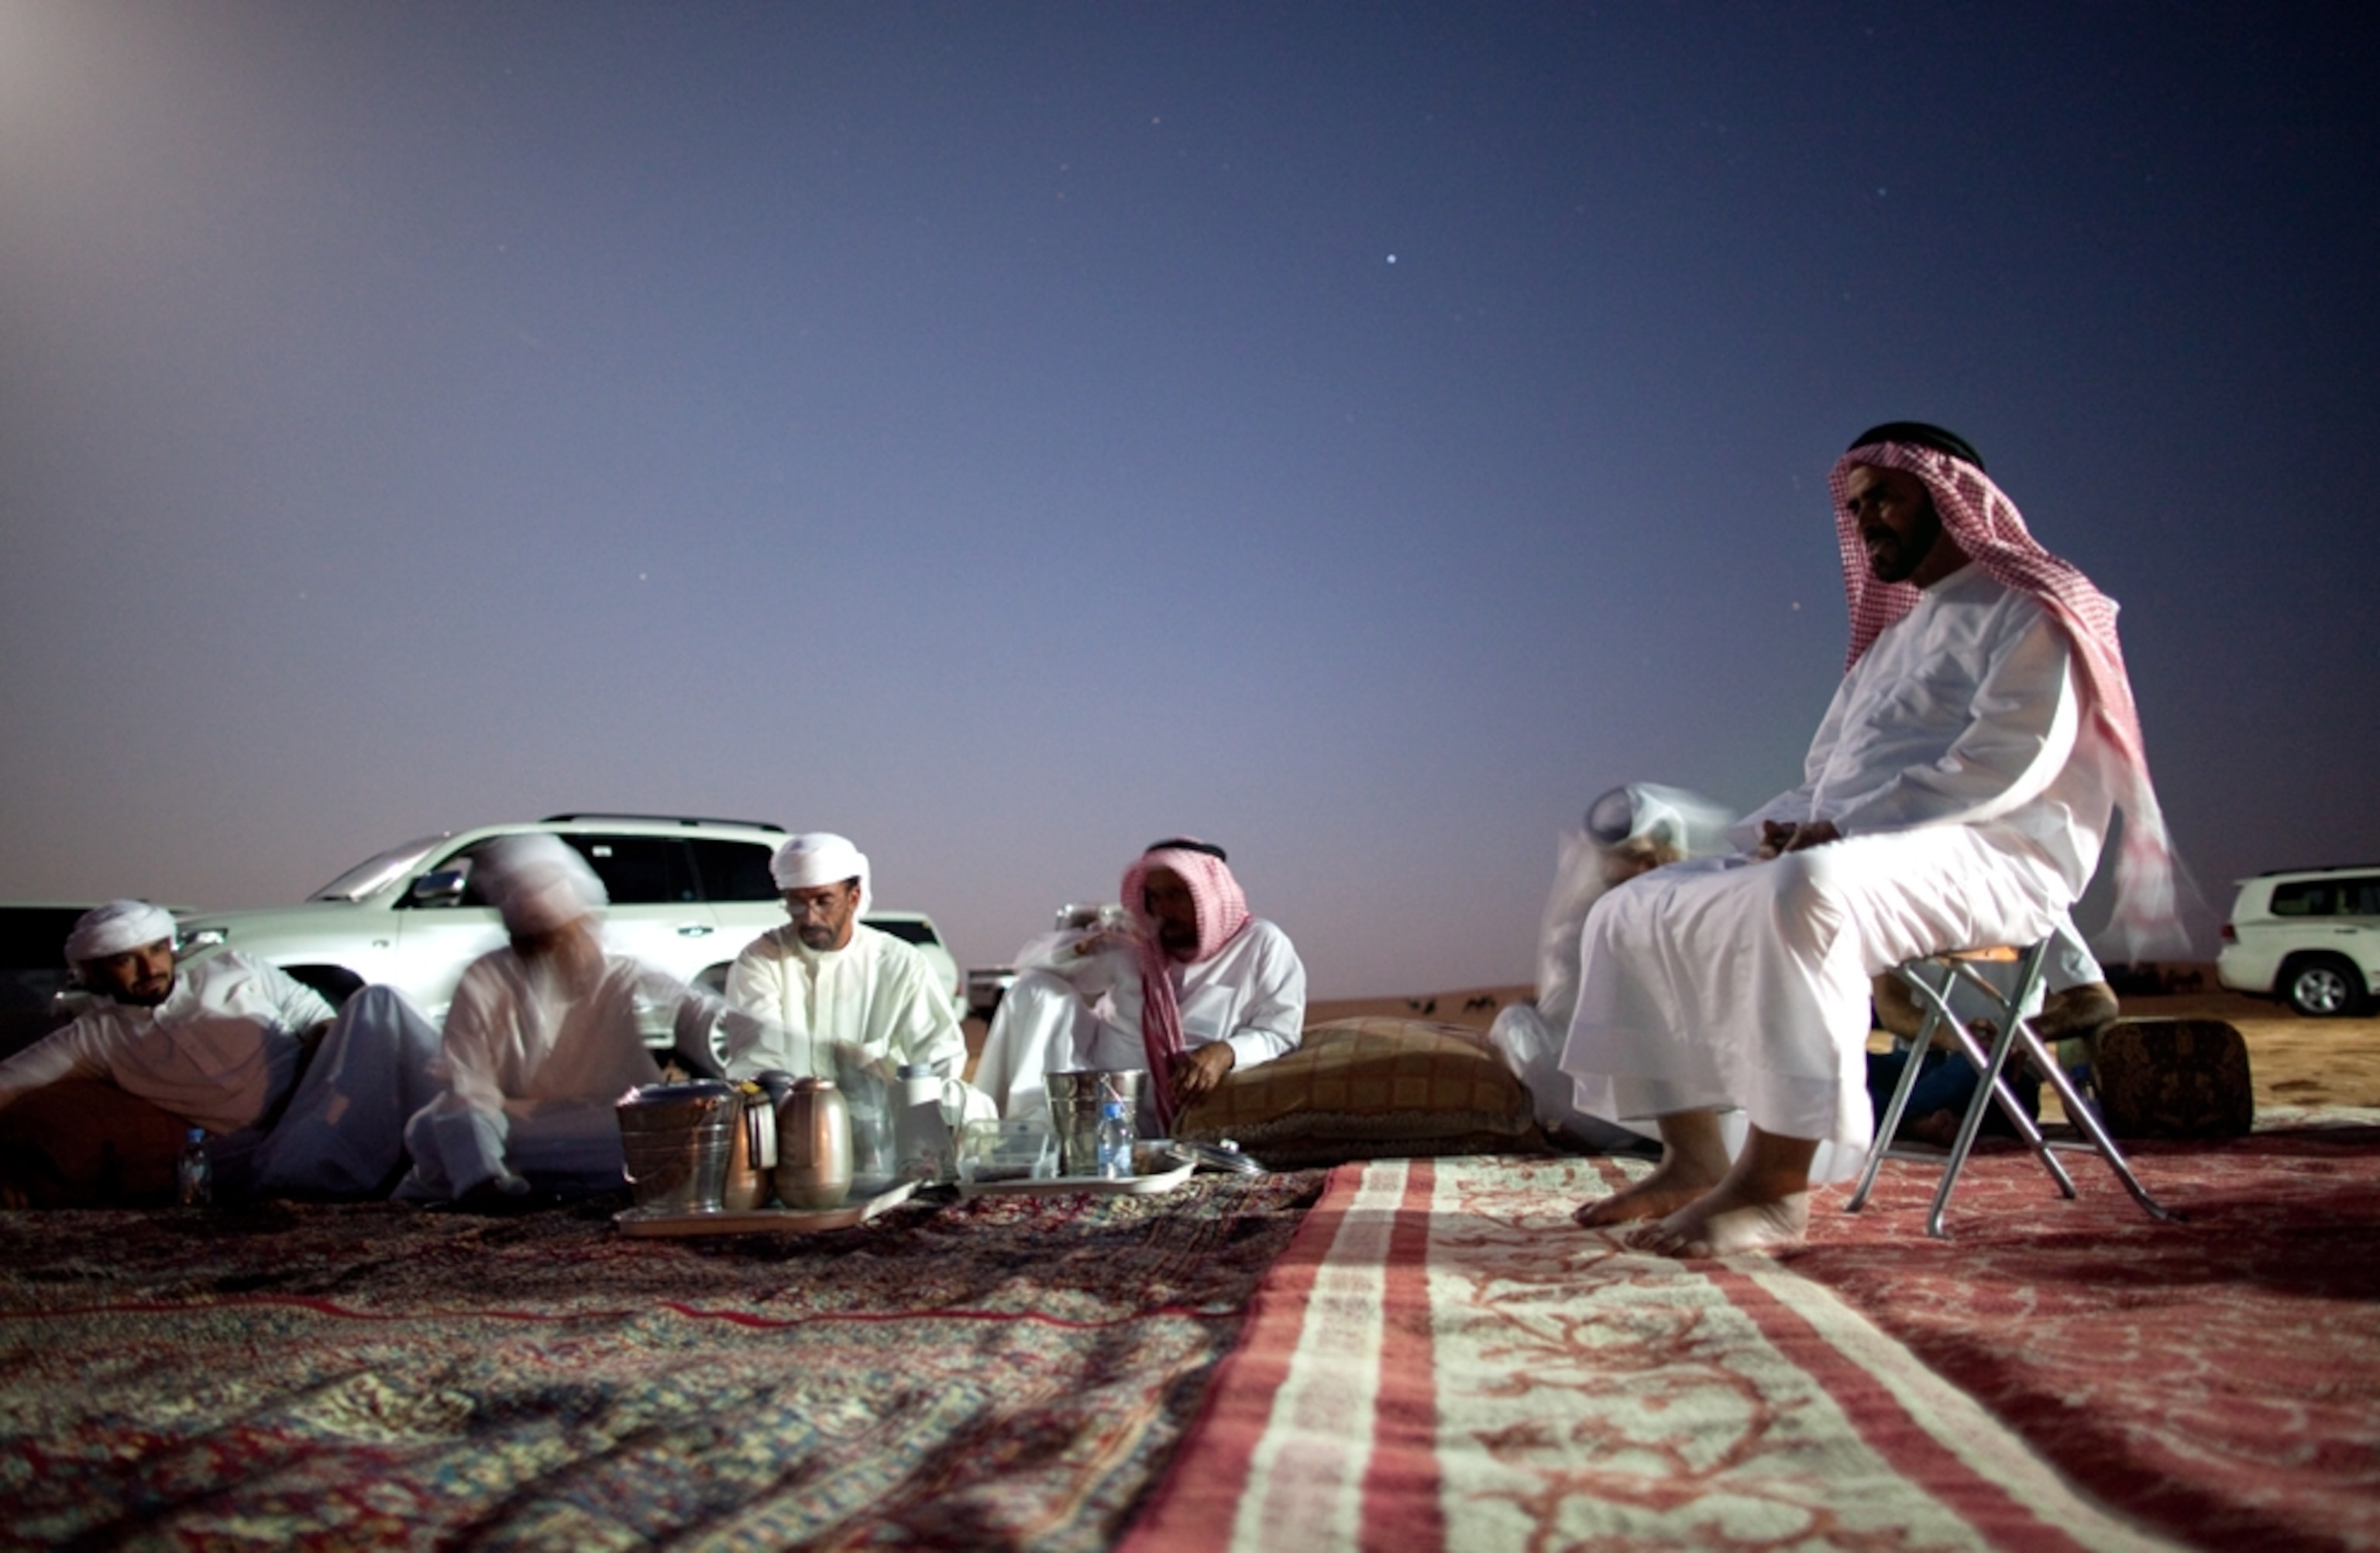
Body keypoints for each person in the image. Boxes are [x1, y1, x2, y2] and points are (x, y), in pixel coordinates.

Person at [1560, 422, 2186, 1257]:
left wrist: (1834, 833)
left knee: (1806, 890)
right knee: (1635, 904)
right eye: (1856, 509)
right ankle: (1691, 1158)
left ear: (1952, 493)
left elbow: (2005, 763)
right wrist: (1756, 838)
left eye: (1886, 496)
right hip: (1858, 847)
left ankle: (1777, 1186)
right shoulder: (1888, 644)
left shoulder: (2034, 606)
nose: (1868, 521)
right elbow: (1823, 781)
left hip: (1998, 855)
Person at [0, 900, 439, 1198]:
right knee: (274, 1170)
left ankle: (465, 1129)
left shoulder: (234, 969)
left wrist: (314, 1079)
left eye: (156, 950)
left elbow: (319, 1020)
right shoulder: (94, 1039)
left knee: (379, 1001)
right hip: (269, 1147)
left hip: (324, 1098)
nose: (150, 968)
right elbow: (9, 1083)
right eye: (125, 960)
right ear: (94, 973)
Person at [396, 836, 724, 1205]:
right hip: (511, 1122)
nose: (571, 943)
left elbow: (697, 1013)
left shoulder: (620, 975)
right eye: (544, 938)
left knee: (671, 1135)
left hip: (603, 1123)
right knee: (435, 1126)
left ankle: (500, 1176)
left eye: (569, 930)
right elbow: (468, 1085)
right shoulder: (485, 979)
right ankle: (486, 1183)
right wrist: (482, 1145)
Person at [972, 839, 1305, 1133]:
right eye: (1154, 897)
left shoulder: (1261, 945)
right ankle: (1023, 1133)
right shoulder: (1136, 944)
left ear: (1211, 896)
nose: (1162, 909)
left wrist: (1224, 1052)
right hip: (1102, 1099)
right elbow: (1028, 963)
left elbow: (1281, 1032)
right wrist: (1080, 945)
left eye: (1176, 895)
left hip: (1192, 1105)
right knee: (1037, 990)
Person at [1491, 784, 1735, 1149]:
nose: (1641, 868)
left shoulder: (1698, 913)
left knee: (1517, 1026)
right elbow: (1570, 1011)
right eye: (1630, 856)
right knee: (1518, 1024)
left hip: (1687, 1098)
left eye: (1652, 858)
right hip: (1621, 1095)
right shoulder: (1582, 926)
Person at [1866, 916, 2118, 1146]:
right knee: (1834, 1069)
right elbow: (1890, 1007)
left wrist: (2022, 1033)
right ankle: (1915, 1123)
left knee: (1983, 1064)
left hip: (1998, 1066)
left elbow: (2100, 1001)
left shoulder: (2036, 902)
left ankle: (1885, 1120)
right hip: (1916, 1063)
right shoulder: (1900, 901)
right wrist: (1952, 1036)